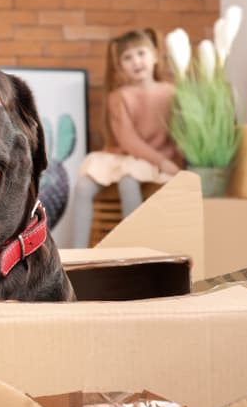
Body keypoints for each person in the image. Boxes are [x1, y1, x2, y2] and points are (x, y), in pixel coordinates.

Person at [70, 28, 182, 248]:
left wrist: (171, 162)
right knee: (83, 186)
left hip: (154, 159)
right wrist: (161, 162)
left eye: (141, 53)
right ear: (120, 66)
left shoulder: (172, 93)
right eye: (127, 58)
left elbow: (181, 133)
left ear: (155, 56)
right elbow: (128, 140)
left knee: (128, 182)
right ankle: (76, 255)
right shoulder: (119, 97)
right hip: (126, 156)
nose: (136, 61)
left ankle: (135, 249)